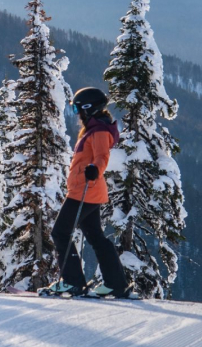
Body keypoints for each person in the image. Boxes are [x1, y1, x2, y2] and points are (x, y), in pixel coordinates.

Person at [47, 87, 138, 299]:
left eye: (79, 109)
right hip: (88, 191)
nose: (77, 113)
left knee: (60, 233)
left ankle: (72, 282)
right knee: (96, 237)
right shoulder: (94, 128)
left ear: (88, 108)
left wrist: (95, 169)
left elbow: (102, 157)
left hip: (85, 191)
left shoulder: (99, 131)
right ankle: (116, 284)